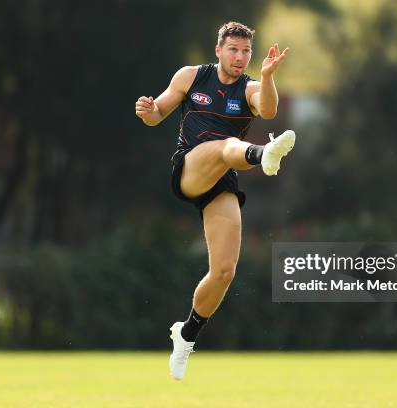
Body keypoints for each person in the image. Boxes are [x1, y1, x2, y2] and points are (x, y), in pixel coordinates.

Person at [135, 21, 295, 381]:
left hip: (222, 178)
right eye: (233, 50)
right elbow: (158, 112)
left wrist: (267, 76)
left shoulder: (251, 86)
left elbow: (267, 111)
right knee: (223, 148)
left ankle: (187, 333)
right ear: (219, 50)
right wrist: (148, 111)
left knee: (224, 271)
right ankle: (262, 153)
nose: (240, 58)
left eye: (246, 52)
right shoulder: (191, 76)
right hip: (191, 167)